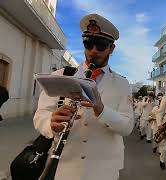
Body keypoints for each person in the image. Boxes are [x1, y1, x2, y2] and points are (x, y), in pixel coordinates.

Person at [33, 13, 134, 180]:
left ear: (112, 48)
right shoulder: (60, 76)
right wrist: (51, 123)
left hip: (103, 170)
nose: (93, 51)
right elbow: (40, 116)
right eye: (88, 44)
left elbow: (127, 127)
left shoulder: (122, 84)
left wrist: (101, 110)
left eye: (101, 46)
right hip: (64, 167)